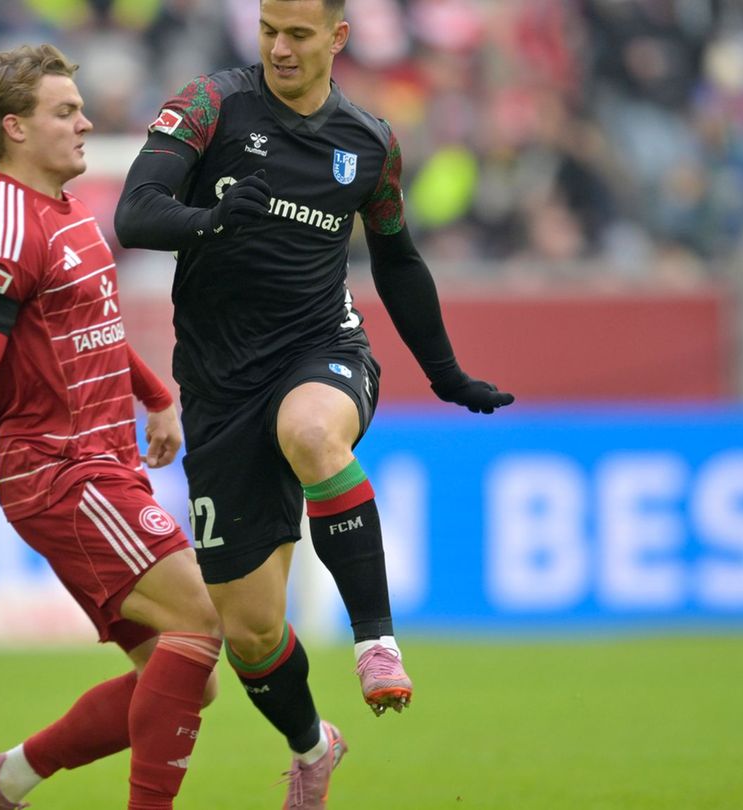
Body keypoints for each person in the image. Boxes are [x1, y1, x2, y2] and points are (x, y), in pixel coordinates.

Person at [114, 0, 513, 805]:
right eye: (268, 32)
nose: (280, 48)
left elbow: (397, 260)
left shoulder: (369, 142)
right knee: (252, 634)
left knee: (312, 431)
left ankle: (376, 641)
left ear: (338, 36)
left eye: (298, 34)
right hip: (219, 386)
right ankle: (312, 746)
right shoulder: (210, 105)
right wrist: (213, 219)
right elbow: (136, 212)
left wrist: (444, 373)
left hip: (321, 350)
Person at [0, 44, 222, 810]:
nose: (86, 122)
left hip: (105, 461)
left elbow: (88, 328)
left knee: (187, 674)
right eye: (65, 112)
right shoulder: (3, 232)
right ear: (16, 128)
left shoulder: (63, 210)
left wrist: (154, 394)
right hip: (61, 473)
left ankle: (6, 778)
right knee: (201, 624)